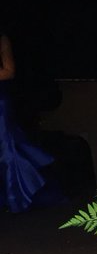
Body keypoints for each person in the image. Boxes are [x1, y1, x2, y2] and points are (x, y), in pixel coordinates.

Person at [0, 27, 54, 212]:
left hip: (0, 102)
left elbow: (9, 71)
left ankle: (14, 197)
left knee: (6, 148)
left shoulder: (2, 38)